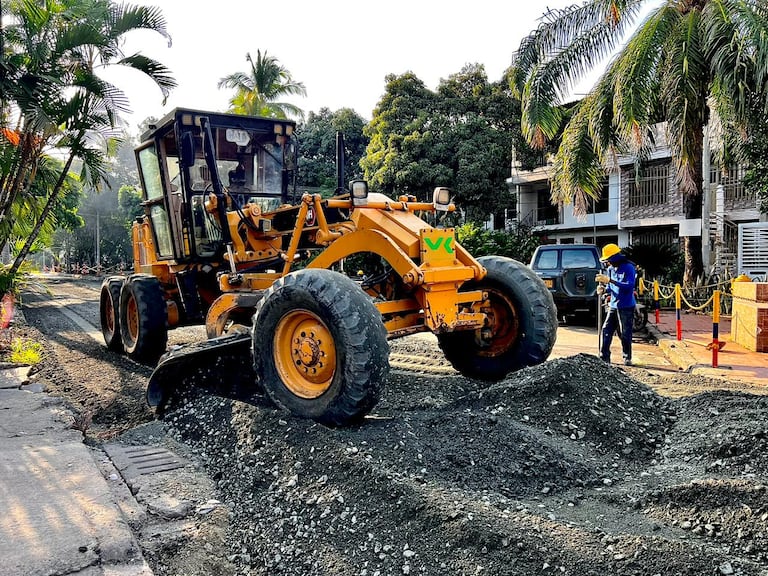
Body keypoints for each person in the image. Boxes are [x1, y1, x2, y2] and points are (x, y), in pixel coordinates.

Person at [595, 243, 637, 366]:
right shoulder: (610, 269)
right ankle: (604, 356)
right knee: (606, 329)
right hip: (613, 305)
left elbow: (629, 286)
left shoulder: (629, 268)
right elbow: (610, 286)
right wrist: (603, 289)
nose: (607, 263)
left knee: (624, 333)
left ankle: (627, 357)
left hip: (626, 306)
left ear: (614, 257)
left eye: (608, 260)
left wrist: (611, 281)